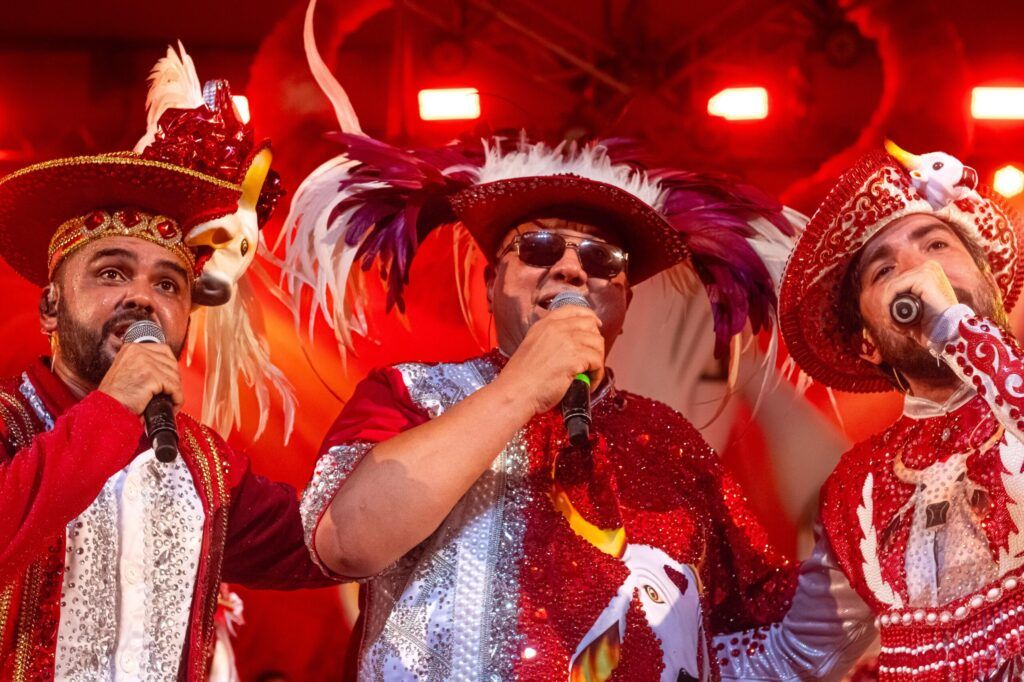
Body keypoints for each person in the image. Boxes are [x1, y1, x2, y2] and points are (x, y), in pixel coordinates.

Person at [279, 110, 809, 679]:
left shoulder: (672, 443)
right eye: (538, 247)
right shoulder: (411, 393)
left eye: (602, 259)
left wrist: (853, 555)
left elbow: (758, 635)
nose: (571, 269)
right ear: (491, 283)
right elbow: (346, 543)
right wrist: (522, 388)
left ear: (626, 303)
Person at [0, 46, 334, 680]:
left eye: (167, 284)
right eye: (111, 273)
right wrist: (110, 409)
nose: (142, 298)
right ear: (49, 308)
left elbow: (331, 540)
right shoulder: (8, 424)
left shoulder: (203, 464)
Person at [720, 140, 1024, 681]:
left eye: (936, 245)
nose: (917, 271)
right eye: (884, 271)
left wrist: (955, 329)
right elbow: (796, 659)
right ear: (868, 344)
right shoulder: (855, 485)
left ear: (992, 285)